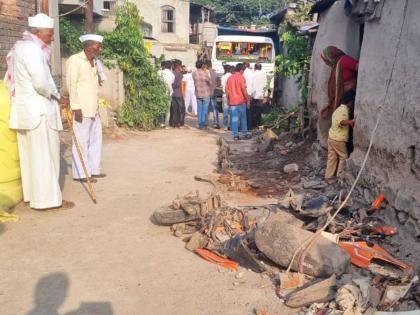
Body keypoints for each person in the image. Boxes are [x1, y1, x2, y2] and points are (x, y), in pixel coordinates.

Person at [4, 13, 74, 210]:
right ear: (38, 32)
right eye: (50, 34)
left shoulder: (20, 48)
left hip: (25, 112)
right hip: (39, 112)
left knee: (30, 158)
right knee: (44, 157)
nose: (52, 37)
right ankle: (48, 201)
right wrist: (59, 97)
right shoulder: (34, 50)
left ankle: (33, 197)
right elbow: (41, 83)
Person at [66, 34, 106, 182]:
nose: (100, 49)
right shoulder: (75, 60)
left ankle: (94, 169)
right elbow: (71, 84)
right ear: (88, 46)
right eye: (98, 46)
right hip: (81, 108)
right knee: (81, 141)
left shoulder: (95, 62)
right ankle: (81, 173)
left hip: (94, 108)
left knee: (96, 140)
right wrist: (76, 107)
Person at [325, 90, 356, 183]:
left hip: (331, 138)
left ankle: (328, 176)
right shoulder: (344, 110)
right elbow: (341, 121)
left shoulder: (338, 109)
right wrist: (350, 122)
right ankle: (339, 176)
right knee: (343, 156)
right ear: (350, 102)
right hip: (339, 139)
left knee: (332, 157)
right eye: (353, 103)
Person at [320, 46, 358, 118]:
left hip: (350, 99)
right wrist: (329, 105)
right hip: (342, 101)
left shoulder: (344, 60)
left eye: (325, 60)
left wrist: (353, 83)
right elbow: (336, 88)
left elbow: (361, 69)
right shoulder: (335, 67)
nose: (325, 63)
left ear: (331, 56)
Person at [225, 63, 251, 140]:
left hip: (232, 102)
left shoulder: (229, 78)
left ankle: (235, 135)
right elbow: (244, 90)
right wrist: (248, 99)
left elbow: (226, 90)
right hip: (241, 101)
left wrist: (228, 99)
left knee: (234, 119)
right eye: (243, 70)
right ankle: (245, 133)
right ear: (241, 70)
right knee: (243, 118)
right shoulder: (241, 77)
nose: (244, 72)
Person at [192, 60, 212, 129]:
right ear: (202, 65)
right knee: (205, 110)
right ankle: (203, 124)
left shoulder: (194, 73)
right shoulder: (205, 73)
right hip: (205, 93)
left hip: (198, 93)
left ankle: (199, 123)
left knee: (199, 109)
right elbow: (210, 82)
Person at [248, 63, 267, 129]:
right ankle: (258, 126)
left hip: (254, 96)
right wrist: (265, 96)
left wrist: (250, 95)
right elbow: (265, 86)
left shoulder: (253, 74)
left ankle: (252, 126)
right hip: (261, 97)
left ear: (255, 68)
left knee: (252, 113)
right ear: (261, 68)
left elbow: (252, 86)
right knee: (259, 113)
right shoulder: (264, 74)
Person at [158, 60, 175, 127]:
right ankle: (166, 124)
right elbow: (172, 83)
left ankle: (161, 123)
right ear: (170, 66)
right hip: (169, 92)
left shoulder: (159, 73)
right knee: (167, 109)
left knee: (161, 107)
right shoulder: (172, 74)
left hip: (160, 92)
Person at [170, 60, 186, 128]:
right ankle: (180, 123)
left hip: (173, 94)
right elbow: (178, 84)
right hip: (179, 94)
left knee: (174, 109)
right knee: (181, 110)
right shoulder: (180, 74)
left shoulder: (172, 73)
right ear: (179, 66)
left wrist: (171, 86)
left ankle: (173, 123)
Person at [205, 60, 219, 129]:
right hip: (213, 92)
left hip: (206, 93)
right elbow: (218, 83)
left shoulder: (205, 73)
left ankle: (205, 122)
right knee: (214, 108)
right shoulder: (215, 73)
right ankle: (216, 123)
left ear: (206, 65)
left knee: (206, 108)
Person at [221, 64, 232, 131]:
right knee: (231, 111)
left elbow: (223, 86)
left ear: (225, 69)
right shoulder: (231, 76)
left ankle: (225, 126)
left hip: (225, 95)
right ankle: (231, 125)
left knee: (225, 111)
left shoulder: (223, 76)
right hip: (232, 95)